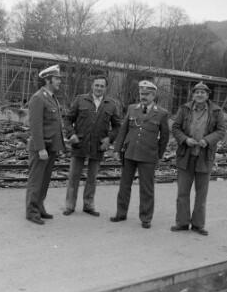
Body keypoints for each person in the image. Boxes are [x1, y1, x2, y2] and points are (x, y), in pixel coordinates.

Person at [110, 80, 169, 229]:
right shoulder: (132, 109)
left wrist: (159, 155)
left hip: (148, 156)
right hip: (129, 153)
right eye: (142, 93)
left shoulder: (161, 113)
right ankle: (121, 213)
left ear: (153, 95)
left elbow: (165, 137)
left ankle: (146, 218)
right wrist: (117, 149)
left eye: (147, 94)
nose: (143, 96)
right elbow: (123, 130)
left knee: (146, 188)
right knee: (124, 185)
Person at [170, 82, 225, 236]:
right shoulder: (184, 109)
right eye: (196, 92)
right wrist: (185, 139)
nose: (199, 95)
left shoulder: (216, 111)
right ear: (193, 95)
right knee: (182, 192)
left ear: (208, 95)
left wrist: (207, 140)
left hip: (204, 157)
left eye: (203, 92)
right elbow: (175, 127)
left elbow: (221, 131)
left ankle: (198, 225)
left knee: (201, 194)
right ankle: (182, 223)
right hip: (185, 156)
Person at [63, 75, 121, 217]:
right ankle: (70, 205)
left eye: (102, 86)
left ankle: (88, 205)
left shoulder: (111, 104)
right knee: (73, 176)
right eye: (97, 85)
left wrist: (109, 139)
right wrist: (71, 134)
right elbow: (68, 119)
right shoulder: (80, 99)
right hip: (79, 144)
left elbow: (117, 126)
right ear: (92, 86)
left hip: (98, 145)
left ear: (105, 88)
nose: (99, 88)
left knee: (92, 177)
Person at [25, 65, 65, 225]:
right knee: (36, 180)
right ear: (47, 80)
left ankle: (39, 207)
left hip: (51, 147)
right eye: (57, 79)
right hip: (41, 148)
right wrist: (41, 148)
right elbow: (35, 126)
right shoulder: (38, 98)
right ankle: (31, 211)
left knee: (45, 180)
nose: (59, 82)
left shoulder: (51, 97)